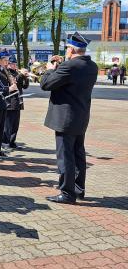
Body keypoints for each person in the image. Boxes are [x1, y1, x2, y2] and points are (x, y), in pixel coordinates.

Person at [41, 32, 98, 204]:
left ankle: (67, 193)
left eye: (67, 48)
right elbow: (70, 79)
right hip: (81, 116)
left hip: (65, 119)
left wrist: (50, 70)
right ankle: (78, 189)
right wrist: (62, 65)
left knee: (65, 156)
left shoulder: (70, 67)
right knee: (78, 154)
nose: (65, 51)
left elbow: (46, 84)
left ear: (72, 49)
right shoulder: (92, 66)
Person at [2, 55, 29, 151]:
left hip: (18, 101)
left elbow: (24, 86)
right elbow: (14, 82)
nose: (14, 65)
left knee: (15, 124)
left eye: (15, 64)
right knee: (8, 124)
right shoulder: (7, 73)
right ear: (8, 64)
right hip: (10, 101)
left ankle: (12, 141)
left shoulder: (17, 73)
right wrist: (21, 75)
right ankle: (5, 142)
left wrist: (26, 77)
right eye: (12, 64)